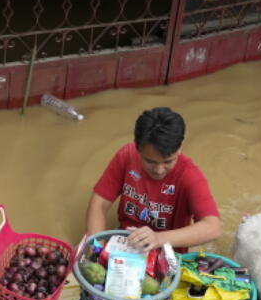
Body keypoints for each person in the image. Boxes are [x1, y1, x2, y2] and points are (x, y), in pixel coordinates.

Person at [85, 107, 221, 252]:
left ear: (180, 147)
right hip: (126, 240)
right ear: (137, 148)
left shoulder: (189, 176)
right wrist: (96, 250)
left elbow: (213, 227)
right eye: (150, 162)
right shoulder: (127, 156)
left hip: (168, 250)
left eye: (168, 161)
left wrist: (158, 238)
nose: (159, 170)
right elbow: (98, 205)